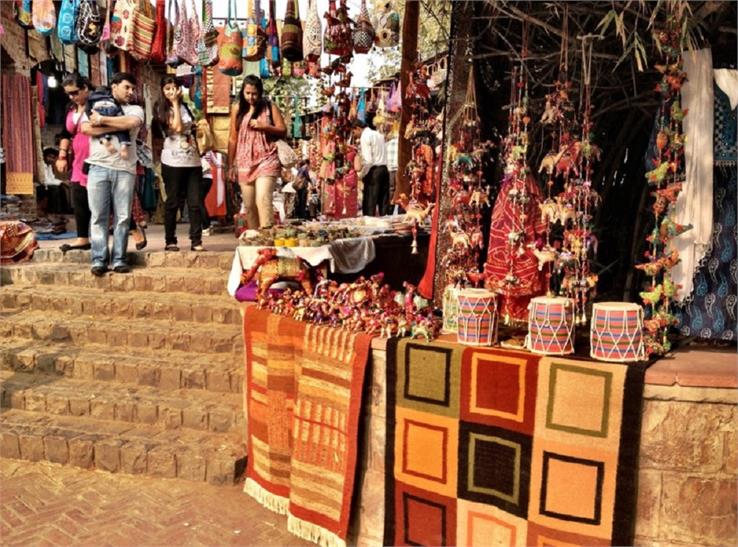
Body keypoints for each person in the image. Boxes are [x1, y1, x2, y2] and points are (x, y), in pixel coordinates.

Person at [81, 72, 144, 276]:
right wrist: (111, 123)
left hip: (125, 169)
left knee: (123, 217)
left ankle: (119, 259)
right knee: (98, 216)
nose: (130, 92)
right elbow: (85, 129)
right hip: (98, 167)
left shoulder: (135, 108)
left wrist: (101, 121)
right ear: (114, 86)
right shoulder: (96, 102)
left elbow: (131, 123)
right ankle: (98, 260)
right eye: (127, 87)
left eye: (133, 89)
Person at [227, 75, 287, 229]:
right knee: (249, 205)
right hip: (244, 162)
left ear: (260, 93)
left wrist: (264, 126)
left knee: (263, 199)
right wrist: (230, 165)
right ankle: (255, 240)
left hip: (267, 159)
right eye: (247, 93)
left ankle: (267, 235)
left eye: (254, 93)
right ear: (243, 92)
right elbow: (232, 139)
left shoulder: (269, 106)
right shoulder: (237, 108)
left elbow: (282, 130)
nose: (251, 97)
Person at [152, 76, 204, 252]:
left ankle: (196, 240)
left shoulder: (186, 107)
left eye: (174, 88)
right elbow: (177, 128)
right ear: (162, 91)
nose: (171, 92)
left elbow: (190, 129)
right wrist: (174, 103)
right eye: (167, 88)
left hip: (192, 160)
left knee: (195, 202)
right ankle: (170, 240)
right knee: (173, 202)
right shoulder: (160, 109)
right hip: (172, 161)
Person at [57, 73, 92, 252]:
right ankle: (82, 237)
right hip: (78, 159)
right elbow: (65, 133)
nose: (72, 97)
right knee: (79, 197)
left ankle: (132, 230)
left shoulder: (96, 103)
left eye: (75, 92)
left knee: (105, 198)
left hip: (98, 157)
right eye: (69, 94)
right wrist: (62, 155)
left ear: (85, 88)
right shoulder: (70, 108)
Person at [351, 118, 389, 216]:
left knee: (370, 203)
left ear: (358, 128)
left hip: (374, 171)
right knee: (383, 202)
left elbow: (368, 161)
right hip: (384, 170)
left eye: (354, 132)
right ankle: (384, 225)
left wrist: (362, 175)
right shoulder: (379, 135)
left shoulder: (365, 136)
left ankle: (369, 227)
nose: (354, 135)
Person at [87, 87, 132, 161]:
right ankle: (124, 145)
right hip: (111, 106)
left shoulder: (91, 97)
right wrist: (120, 115)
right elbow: (118, 105)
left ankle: (104, 139)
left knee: (97, 127)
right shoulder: (110, 96)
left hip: (98, 108)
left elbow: (88, 109)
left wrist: (90, 115)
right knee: (121, 126)